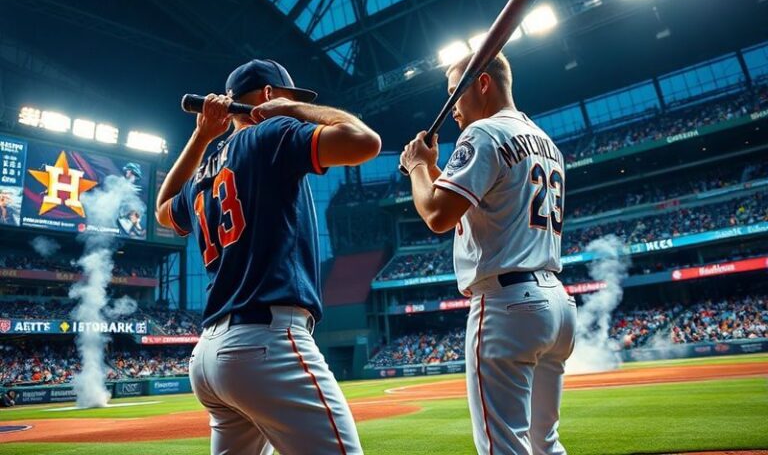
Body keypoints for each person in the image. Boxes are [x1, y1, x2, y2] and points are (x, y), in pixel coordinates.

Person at [156, 58, 380, 455]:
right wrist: (291, 110)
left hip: (209, 357)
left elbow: (161, 209)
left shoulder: (205, 170)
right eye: (291, 97)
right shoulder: (272, 132)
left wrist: (202, 137)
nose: (297, 106)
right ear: (269, 95)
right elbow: (364, 142)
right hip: (266, 341)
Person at [399, 52, 577, 455]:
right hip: (555, 303)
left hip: (506, 306)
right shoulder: (545, 141)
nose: (453, 109)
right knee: (544, 444)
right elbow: (479, 208)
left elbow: (438, 214)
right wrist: (433, 166)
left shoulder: (483, 134)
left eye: (454, 94)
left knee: (504, 447)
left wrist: (416, 167)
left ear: (482, 84)